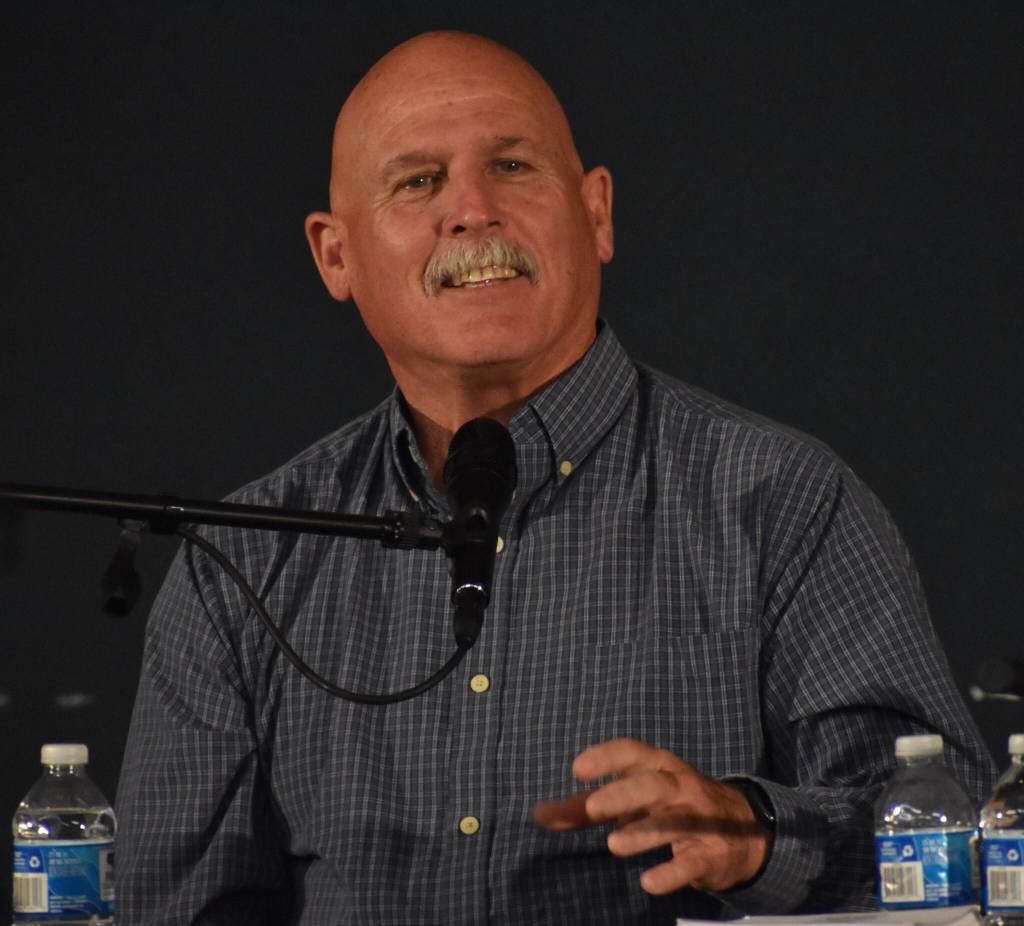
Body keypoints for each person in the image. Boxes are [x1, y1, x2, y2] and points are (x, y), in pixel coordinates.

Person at [115, 31, 995, 924]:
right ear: (334, 256)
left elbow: (946, 835)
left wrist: (757, 837)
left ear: (597, 213)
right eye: (418, 181)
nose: (473, 211)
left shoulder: (782, 500)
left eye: (512, 167)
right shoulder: (241, 556)